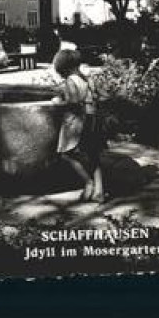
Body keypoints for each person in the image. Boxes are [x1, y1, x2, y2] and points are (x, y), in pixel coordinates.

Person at [52, 47, 105, 202]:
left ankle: (88, 182)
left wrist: (59, 102)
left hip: (78, 121)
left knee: (65, 154)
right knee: (93, 154)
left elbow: (73, 102)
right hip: (93, 118)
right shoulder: (87, 78)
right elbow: (98, 96)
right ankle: (99, 192)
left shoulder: (69, 81)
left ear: (65, 68)